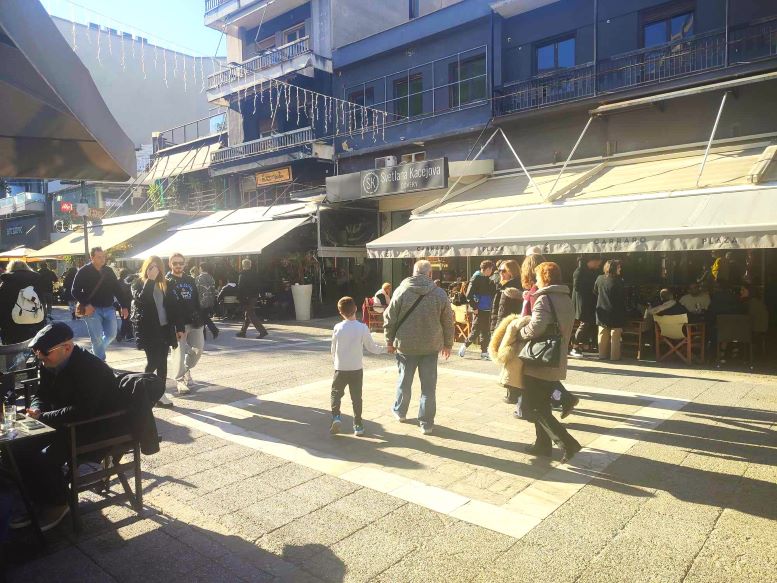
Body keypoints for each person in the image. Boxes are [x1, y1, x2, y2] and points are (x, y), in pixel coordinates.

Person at [12, 322, 121, 531]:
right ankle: (37, 499)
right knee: (19, 446)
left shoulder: (90, 368)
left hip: (95, 427)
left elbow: (83, 410)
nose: (40, 357)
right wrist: (36, 409)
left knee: (45, 456)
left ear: (67, 347)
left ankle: (58, 504)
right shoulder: (49, 363)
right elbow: (41, 394)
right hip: (64, 422)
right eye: (36, 352)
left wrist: (43, 417)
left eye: (44, 352)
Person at [518, 262, 581, 463]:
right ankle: (542, 445)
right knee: (543, 403)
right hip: (556, 356)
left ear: (544, 278)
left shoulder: (544, 299)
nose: (536, 281)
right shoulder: (565, 298)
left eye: (537, 277)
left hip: (539, 360)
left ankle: (568, 444)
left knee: (536, 407)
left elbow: (536, 327)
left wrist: (520, 332)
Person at [384, 260, 454, 435]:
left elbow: (390, 318)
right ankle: (426, 423)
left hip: (406, 345)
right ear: (430, 274)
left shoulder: (402, 290)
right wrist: (448, 344)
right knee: (428, 388)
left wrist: (389, 340)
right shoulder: (439, 294)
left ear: (414, 272)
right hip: (431, 346)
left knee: (404, 381)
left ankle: (400, 412)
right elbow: (448, 321)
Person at [330, 296, 385, 436]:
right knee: (356, 397)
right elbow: (371, 348)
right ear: (355, 309)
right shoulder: (362, 328)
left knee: (336, 394)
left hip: (340, 368)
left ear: (340, 312)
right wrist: (386, 349)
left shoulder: (337, 327)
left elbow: (333, 349)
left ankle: (336, 417)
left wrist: (335, 363)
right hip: (356, 368)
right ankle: (358, 425)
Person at [131, 256, 177, 407]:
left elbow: (173, 307)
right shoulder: (137, 283)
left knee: (163, 362)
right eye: (151, 267)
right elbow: (142, 299)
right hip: (149, 330)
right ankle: (144, 391)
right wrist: (150, 280)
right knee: (153, 361)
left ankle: (160, 393)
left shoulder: (165, 283)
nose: (154, 270)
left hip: (164, 328)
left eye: (157, 268)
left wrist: (180, 327)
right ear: (146, 268)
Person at [71, 247, 129, 361]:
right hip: (92, 310)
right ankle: (100, 361)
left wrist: (124, 306)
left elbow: (117, 289)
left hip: (109, 308)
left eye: (103, 257)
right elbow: (74, 290)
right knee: (96, 338)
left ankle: (95, 353)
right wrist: (86, 304)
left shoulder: (108, 271)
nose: (103, 259)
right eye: (99, 257)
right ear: (92, 257)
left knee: (112, 335)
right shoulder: (84, 271)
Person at [166, 253, 204, 395]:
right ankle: (180, 379)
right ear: (170, 264)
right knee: (178, 353)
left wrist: (201, 318)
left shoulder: (190, 279)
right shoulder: (167, 281)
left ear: (184, 264)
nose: (178, 266)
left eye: (180, 263)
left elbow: (196, 300)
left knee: (198, 349)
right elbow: (169, 306)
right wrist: (175, 325)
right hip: (178, 323)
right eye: (175, 263)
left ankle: (186, 369)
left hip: (194, 321)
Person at [0, 259, 45, 346]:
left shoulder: (6, 282)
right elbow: (42, 301)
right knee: (34, 348)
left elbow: (2, 304)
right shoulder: (37, 281)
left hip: (11, 325)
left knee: (12, 350)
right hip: (35, 322)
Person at [458, 260, 496, 360]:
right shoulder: (476, 278)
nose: (491, 271)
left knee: (485, 332)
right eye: (491, 269)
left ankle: (484, 352)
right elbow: (469, 295)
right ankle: (464, 345)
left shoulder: (487, 278)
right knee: (476, 331)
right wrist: (474, 307)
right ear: (487, 269)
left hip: (486, 308)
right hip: (479, 308)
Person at [593, 260, 626, 361]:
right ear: (614, 268)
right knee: (615, 335)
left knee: (602, 333)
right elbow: (622, 296)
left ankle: (602, 355)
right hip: (616, 311)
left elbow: (595, 291)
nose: (620, 269)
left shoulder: (599, 278)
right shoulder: (619, 281)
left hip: (602, 310)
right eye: (618, 267)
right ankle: (614, 357)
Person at [570, 255, 601, 357]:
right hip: (582, 303)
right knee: (584, 324)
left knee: (588, 324)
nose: (598, 265)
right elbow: (577, 288)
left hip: (588, 302)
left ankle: (584, 346)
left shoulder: (590, 271)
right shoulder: (579, 271)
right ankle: (574, 346)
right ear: (592, 261)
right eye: (597, 262)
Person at [235, 258, 268, 339]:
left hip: (246, 297)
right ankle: (243, 331)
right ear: (250, 265)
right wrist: (262, 295)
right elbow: (260, 285)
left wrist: (239, 297)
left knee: (250, 314)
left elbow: (240, 287)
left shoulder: (242, 275)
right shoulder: (255, 274)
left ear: (243, 265)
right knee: (248, 314)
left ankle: (262, 331)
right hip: (254, 296)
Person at [195, 262, 219, 340]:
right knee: (204, 317)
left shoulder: (198, 278)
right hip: (210, 300)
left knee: (202, 318)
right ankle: (210, 332)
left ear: (201, 268)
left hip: (201, 301)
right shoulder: (211, 278)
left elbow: (196, 291)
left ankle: (210, 332)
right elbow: (213, 290)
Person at [116, 268, 135, 342]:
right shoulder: (128, 282)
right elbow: (130, 293)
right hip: (127, 303)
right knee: (127, 319)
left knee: (125, 319)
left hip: (119, 303)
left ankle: (128, 335)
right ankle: (123, 335)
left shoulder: (117, 282)